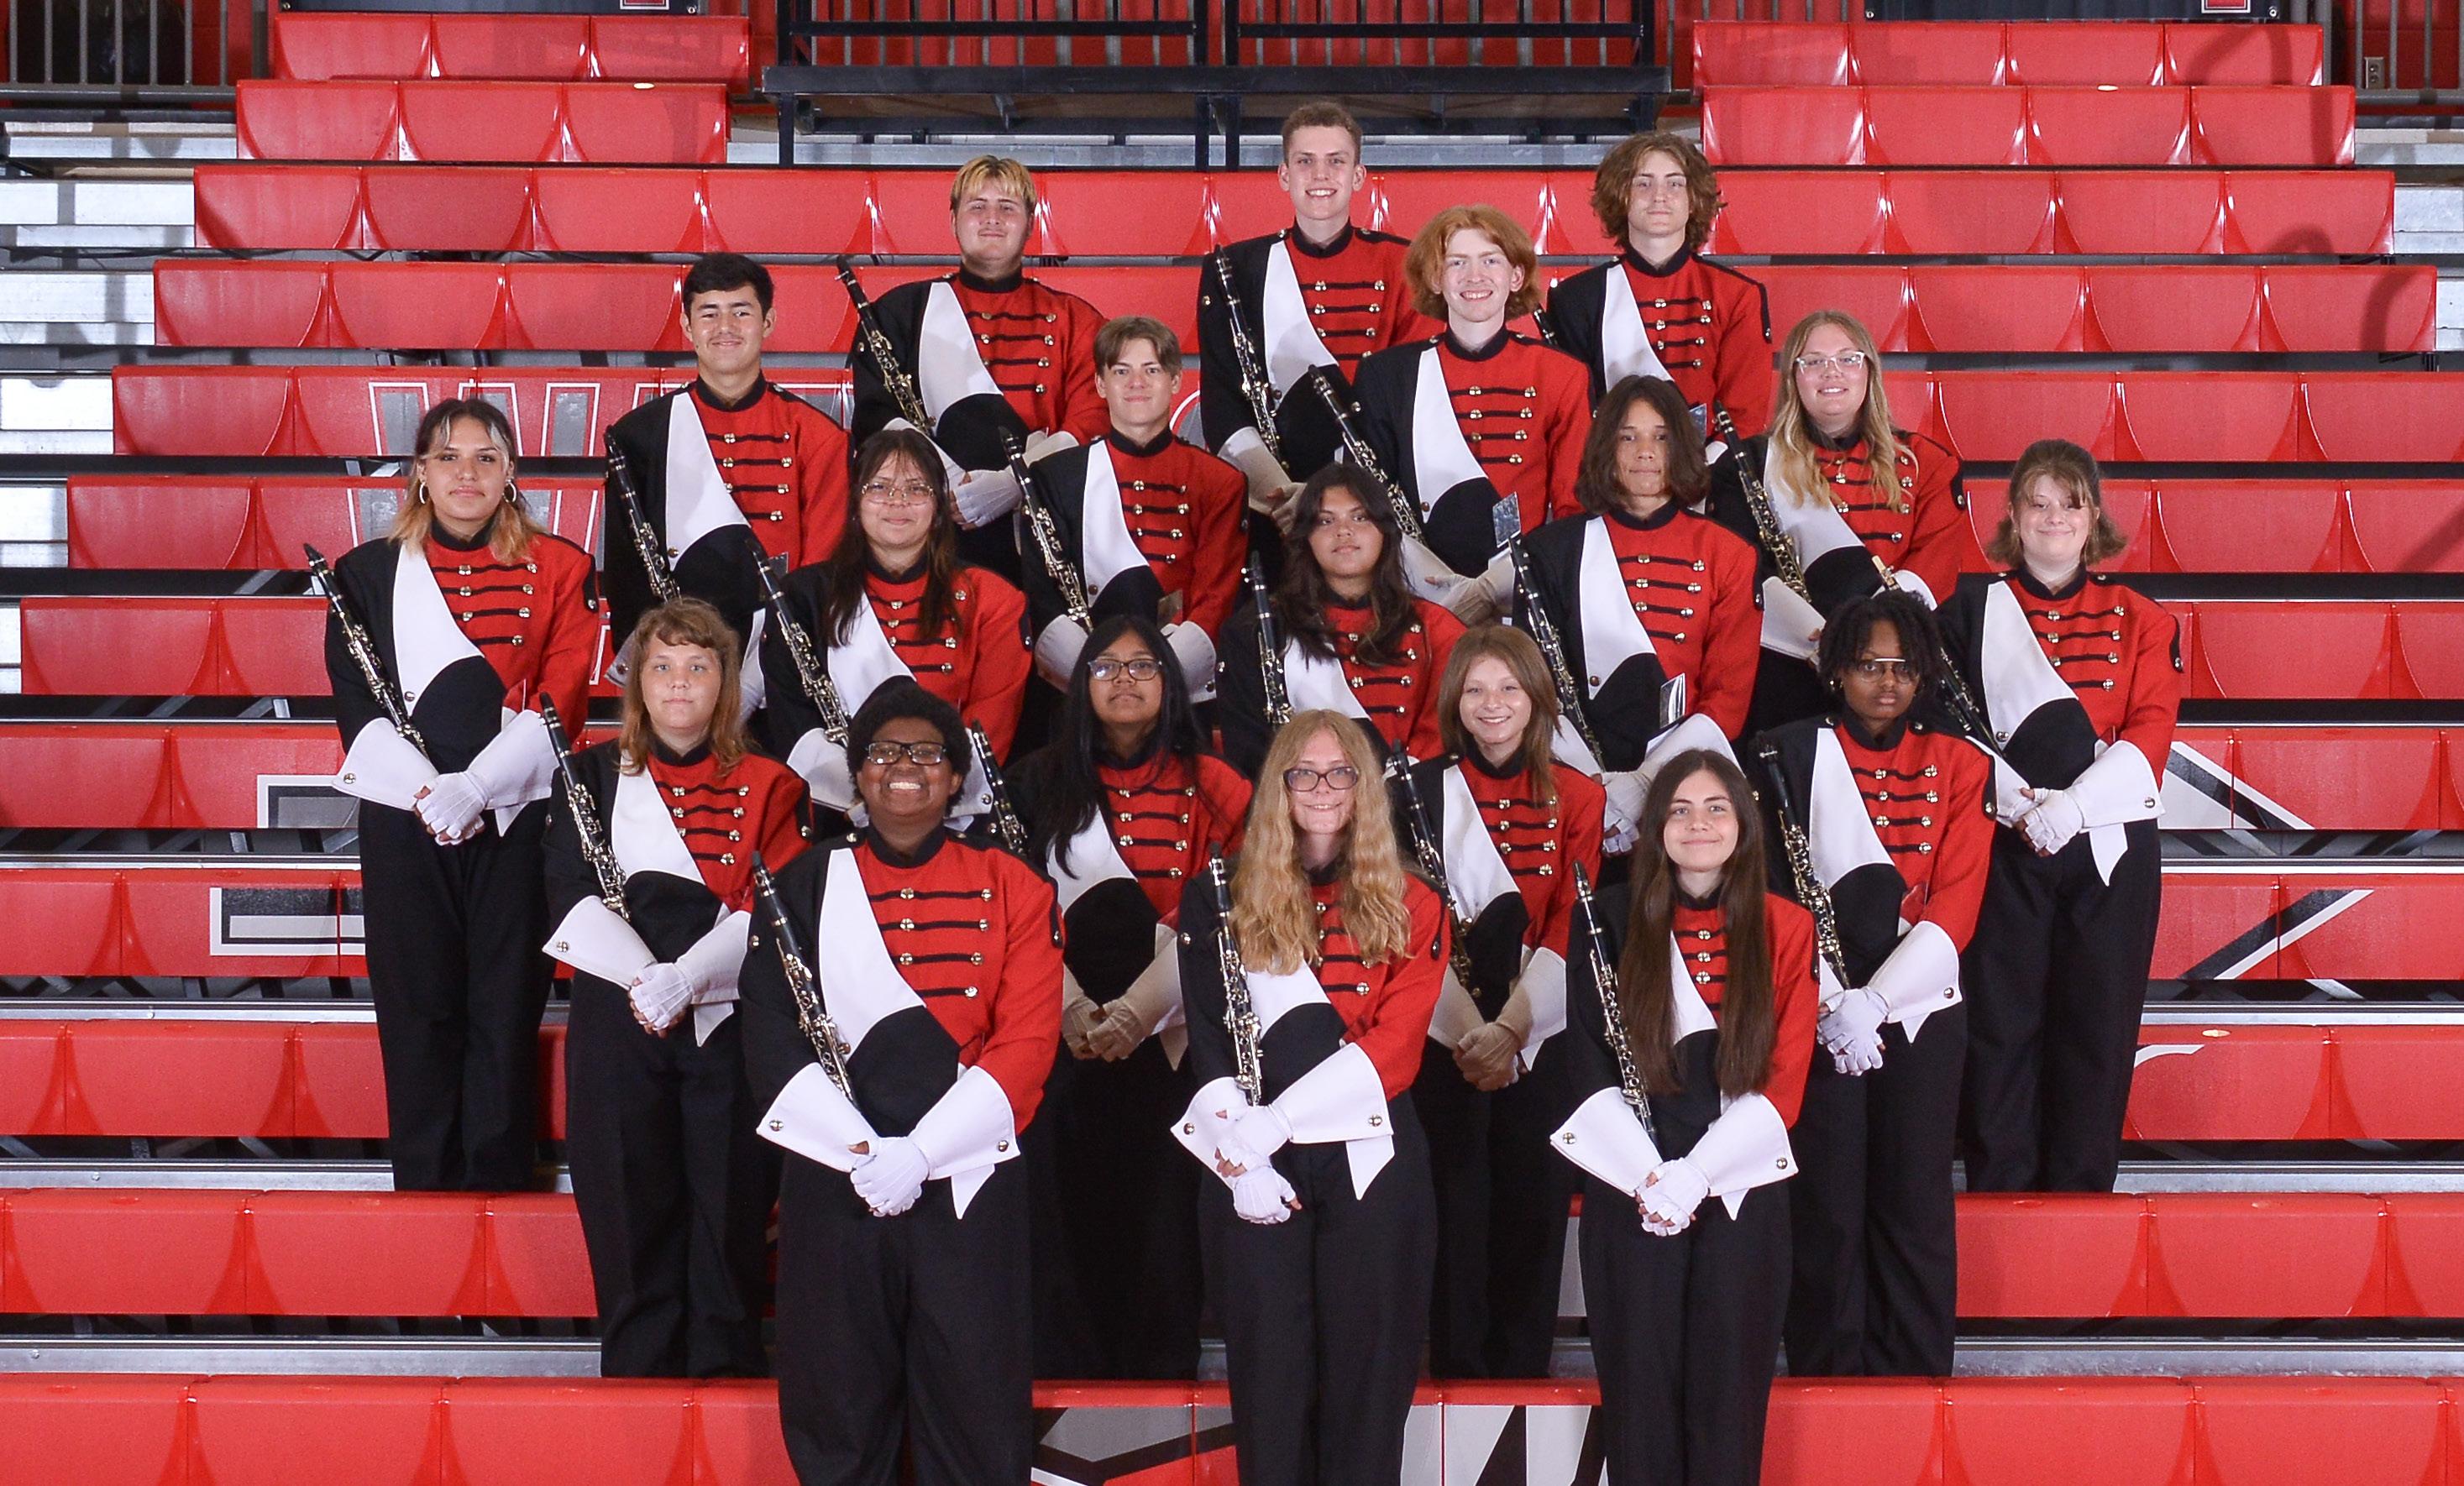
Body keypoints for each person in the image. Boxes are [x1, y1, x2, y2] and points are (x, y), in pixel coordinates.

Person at [740, 678, 1063, 1486]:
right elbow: (771, 1034)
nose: (904, 767)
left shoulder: (1015, 884)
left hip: (969, 1181)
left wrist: (920, 1155)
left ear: (955, 777)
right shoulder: (803, 882)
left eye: (925, 753)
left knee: (976, 1417)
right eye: (883, 753)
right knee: (838, 1417)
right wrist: (863, 1154)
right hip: (836, 1179)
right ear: (858, 776)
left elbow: (1027, 1041)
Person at [323, 398, 596, 1190]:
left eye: (485, 457)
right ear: (421, 473)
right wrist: (428, 792)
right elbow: (357, 706)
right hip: (405, 820)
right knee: (416, 1014)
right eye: (448, 457)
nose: (466, 474)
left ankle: (497, 1193)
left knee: (504, 1010)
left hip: (517, 817)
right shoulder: (365, 574)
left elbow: (564, 697)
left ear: (510, 472)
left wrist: (479, 787)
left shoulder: (563, 566)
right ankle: (425, 1197)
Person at [542, 598, 812, 1378]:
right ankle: (640, 1384)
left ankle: (724, 1380)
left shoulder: (774, 783)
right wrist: (646, 980)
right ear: (639, 683)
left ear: (725, 683)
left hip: (729, 1022)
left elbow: (778, 905)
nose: (679, 682)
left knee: (729, 1213)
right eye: (661, 666)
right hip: (617, 1016)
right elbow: (566, 889)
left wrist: (689, 977)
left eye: (698, 666)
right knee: (628, 1211)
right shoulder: (587, 774)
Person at [1174, 711, 1445, 1486]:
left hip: (1372, 1162)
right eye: (1303, 773)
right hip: (1256, 1166)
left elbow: (1396, 1048)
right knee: (1270, 1388)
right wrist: (1242, 1161)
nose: (1322, 789)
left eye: (1340, 773)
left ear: (1365, 788)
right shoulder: (1218, 896)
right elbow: (1209, 1037)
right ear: (1278, 786)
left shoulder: (1414, 900)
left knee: (1369, 1387)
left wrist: (1279, 1122)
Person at [1549, 750, 1817, 1485]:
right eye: (1680, 810)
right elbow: (1588, 1065)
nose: (1699, 825)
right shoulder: (1604, 920)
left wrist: (1694, 1177)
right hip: (1631, 1188)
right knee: (1639, 1403)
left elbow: (1784, 1080)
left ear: (1744, 824)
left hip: (1739, 1192)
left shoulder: (1786, 926)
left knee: (1729, 1406)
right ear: (1655, 827)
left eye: (1716, 809)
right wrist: (1651, 1180)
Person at [1748, 591, 1990, 1379]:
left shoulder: (1962, 762)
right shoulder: (1783, 752)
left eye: (1903, 667)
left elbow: (1958, 901)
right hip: (1814, 1010)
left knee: (1914, 1200)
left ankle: (1916, 1375)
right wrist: (1831, 1004)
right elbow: (1771, 895)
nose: (1887, 683)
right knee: (1824, 1200)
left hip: (1921, 1011)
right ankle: (1827, 1372)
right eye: (1868, 666)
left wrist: (1877, 1003)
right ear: (1836, 672)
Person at [1010, 615, 1254, 1379]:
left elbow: (1237, 905)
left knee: (1163, 1221)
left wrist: (1138, 1012)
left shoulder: (1217, 784)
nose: (1124, 680)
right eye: (1105, 666)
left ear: (1171, 684)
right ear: (1080, 684)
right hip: (1063, 1025)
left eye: (1143, 665)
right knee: (1062, 1211)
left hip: (1173, 1028)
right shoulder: (1036, 781)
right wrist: (1075, 1011)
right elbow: (1014, 906)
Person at [1933, 439, 2179, 1194]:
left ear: (2092, 517)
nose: (2053, 518)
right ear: (2013, 516)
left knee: (2096, 1029)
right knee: (2000, 1027)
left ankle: (2080, 1205)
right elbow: (1948, 733)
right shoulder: (1967, 614)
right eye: (2036, 503)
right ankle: (2003, 1195)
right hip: (2004, 840)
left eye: (2070, 504)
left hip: (2107, 846)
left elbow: (2151, 730)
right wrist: (2021, 807)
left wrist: (2074, 807)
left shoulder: (2142, 618)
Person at [1399, 625, 1604, 1379]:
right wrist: (1471, 1035)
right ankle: (1456, 1378)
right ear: (1454, 699)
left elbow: (1571, 924)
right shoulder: (1412, 792)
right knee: (1453, 1210)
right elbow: (1403, 923)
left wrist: (1513, 1031)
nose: (1493, 704)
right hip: (1442, 1033)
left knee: (1532, 1211)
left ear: (1536, 698)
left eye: (1509, 688)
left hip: (1540, 1037)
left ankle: (1521, 1379)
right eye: (1477, 689)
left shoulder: (1579, 795)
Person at [1705, 310, 1984, 734]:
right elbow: (1743, 574)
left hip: (1898, 666)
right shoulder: (1748, 465)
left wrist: (1873, 644)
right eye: (1813, 361)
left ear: (1869, 370)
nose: (1830, 372)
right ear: (1793, 377)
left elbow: (1935, 565)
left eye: (1848, 359)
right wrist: (1825, 642)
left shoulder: (1929, 462)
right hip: (1794, 666)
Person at [1516, 374, 1761, 846]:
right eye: (1628, 437)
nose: (1645, 452)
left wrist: (1648, 784)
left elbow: (1728, 697)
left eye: (1661, 437)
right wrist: (1596, 792)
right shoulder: (1551, 550)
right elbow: (1533, 684)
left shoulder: (1729, 553)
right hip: (1578, 778)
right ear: (1605, 448)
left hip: (1686, 782)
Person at [846, 154, 1110, 581]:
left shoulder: (1076, 319)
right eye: (977, 206)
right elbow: (875, 416)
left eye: (1007, 207)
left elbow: (1091, 421)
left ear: (1030, 223)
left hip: (1039, 537)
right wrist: (946, 480)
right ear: (953, 221)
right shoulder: (900, 311)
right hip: (930, 531)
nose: (992, 219)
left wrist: (1014, 483)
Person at [602, 253, 852, 689]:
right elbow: (628, 580)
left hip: (781, 656)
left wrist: (775, 666)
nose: (725, 327)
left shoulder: (816, 436)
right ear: (687, 327)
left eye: (741, 312)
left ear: (768, 322)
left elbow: (821, 572)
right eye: (709, 314)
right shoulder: (639, 436)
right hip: (678, 659)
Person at [759, 428, 1031, 823]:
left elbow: (989, 731)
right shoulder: (803, 597)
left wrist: (919, 800)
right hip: (840, 815)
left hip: (953, 816)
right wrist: (870, 800)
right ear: (855, 503)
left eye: (917, 489)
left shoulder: (993, 598)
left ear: (938, 507)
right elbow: (797, 728)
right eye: (879, 486)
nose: (897, 501)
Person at [1196, 98, 1434, 519]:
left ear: (1358, 176)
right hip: (1276, 501)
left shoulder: (1404, 264)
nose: (1320, 175)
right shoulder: (1235, 268)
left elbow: (1414, 396)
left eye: (1336, 161)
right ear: (1284, 175)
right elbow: (1223, 405)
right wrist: (1284, 497)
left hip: (1375, 496)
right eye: (1305, 161)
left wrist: (1347, 499)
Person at [1351, 204, 1593, 610]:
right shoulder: (1388, 374)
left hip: (1522, 591)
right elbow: (1373, 505)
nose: (1474, 276)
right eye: (1456, 262)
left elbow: (1573, 507)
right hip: (1418, 593)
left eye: (1491, 260)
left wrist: (1500, 586)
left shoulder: (1561, 373)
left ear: (1516, 277)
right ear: (1435, 278)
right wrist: (1440, 593)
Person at [1020, 316, 1247, 698]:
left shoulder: (1220, 481)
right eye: (1121, 371)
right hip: (1081, 690)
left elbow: (1217, 597)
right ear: (1100, 384)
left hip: (1182, 691)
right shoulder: (1055, 477)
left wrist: (1159, 683)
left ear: (1176, 381)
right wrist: (1099, 681)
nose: (1136, 382)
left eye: (1151, 370)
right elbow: (1043, 598)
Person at [1214, 463, 1467, 776]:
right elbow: (1252, 757)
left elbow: (1444, 737)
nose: (1343, 531)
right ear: (1306, 536)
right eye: (1325, 520)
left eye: (1360, 518)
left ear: (1385, 531)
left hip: (1414, 797)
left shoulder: (1437, 627)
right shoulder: (1256, 631)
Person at [1544, 132, 1772, 435]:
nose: (1659, 196)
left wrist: (1706, 460)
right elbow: (1574, 418)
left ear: (1693, 200)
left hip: (1711, 462)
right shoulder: (1576, 299)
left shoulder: (1737, 296)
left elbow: (1744, 416)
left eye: (1675, 184)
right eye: (1643, 183)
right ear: (1621, 197)